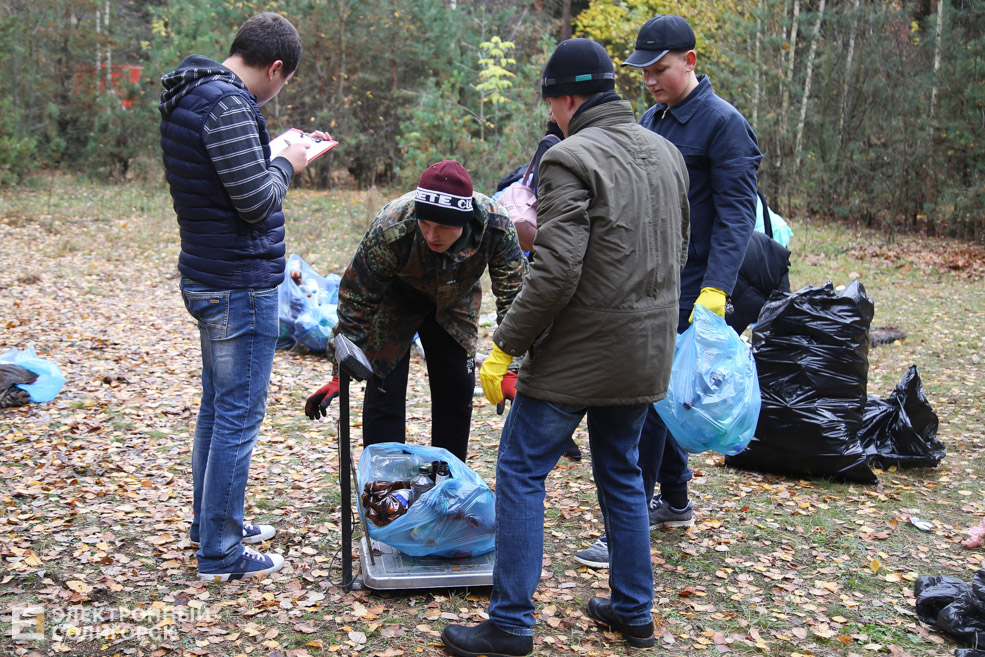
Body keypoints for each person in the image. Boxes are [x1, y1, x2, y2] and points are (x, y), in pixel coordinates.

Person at [440, 38, 689, 656]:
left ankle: (511, 624)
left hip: (580, 354)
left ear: (569, 97)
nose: (551, 116)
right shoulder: (667, 154)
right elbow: (676, 251)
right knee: (623, 473)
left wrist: (503, 347)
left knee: (522, 469)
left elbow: (555, 272)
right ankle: (635, 612)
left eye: (552, 103)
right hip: (649, 351)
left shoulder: (569, 158)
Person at [573, 13, 763, 569]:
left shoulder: (724, 125)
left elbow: (735, 216)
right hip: (652, 278)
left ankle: (624, 528)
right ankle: (675, 500)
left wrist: (716, 291)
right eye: (644, 72)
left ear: (691, 62)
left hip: (695, 286)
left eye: (661, 70)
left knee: (648, 400)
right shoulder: (656, 118)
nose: (651, 80)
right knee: (667, 393)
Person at [160, 12, 328, 581]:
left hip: (207, 275)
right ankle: (222, 553)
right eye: (283, 81)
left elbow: (226, 180)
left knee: (217, 406)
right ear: (275, 68)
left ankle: (209, 524)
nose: (278, 92)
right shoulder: (228, 105)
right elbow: (256, 202)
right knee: (237, 416)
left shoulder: (192, 95)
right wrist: (288, 160)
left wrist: (272, 151)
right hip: (237, 285)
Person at [304, 160, 525, 462]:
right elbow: (357, 297)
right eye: (426, 225)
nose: (433, 235)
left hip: (455, 301)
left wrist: (513, 365)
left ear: (465, 221)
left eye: (444, 227)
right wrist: (339, 370)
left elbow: (514, 296)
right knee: (383, 387)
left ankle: (447, 483)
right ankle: (384, 489)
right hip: (395, 299)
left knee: (458, 388)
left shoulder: (496, 226)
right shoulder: (392, 224)